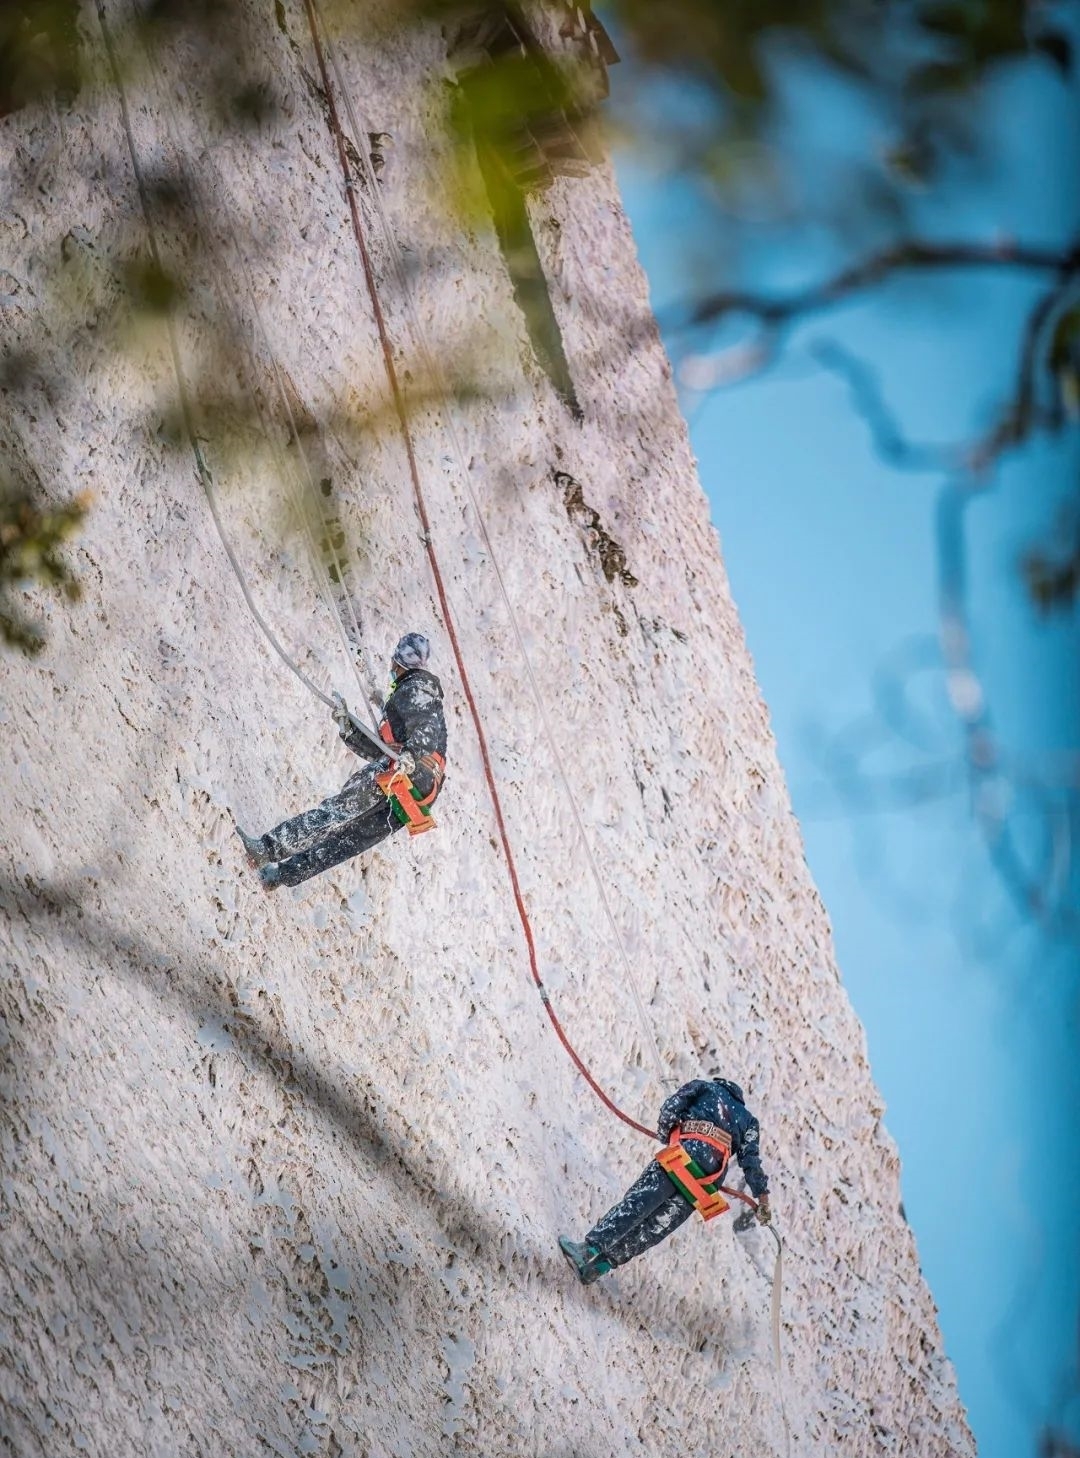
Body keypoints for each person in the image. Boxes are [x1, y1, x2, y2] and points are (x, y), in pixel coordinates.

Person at [236, 632, 447, 889]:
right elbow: (382, 749)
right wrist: (349, 729)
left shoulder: (416, 688)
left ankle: (266, 849)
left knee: (335, 813)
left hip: (403, 776)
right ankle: (280, 876)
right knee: (349, 840)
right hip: (416, 796)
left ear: (397, 662)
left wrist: (410, 756)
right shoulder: (417, 698)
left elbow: (427, 730)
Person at [558, 1076, 772, 1285]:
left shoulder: (706, 1087)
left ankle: (589, 1249)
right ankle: (600, 1266)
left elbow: (671, 1107)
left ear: (720, 1084)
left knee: (638, 1205)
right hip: (705, 1184)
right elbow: (751, 1162)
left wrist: (665, 1135)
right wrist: (762, 1199)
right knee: (655, 1226)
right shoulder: (749, 1122)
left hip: (682, 1158)